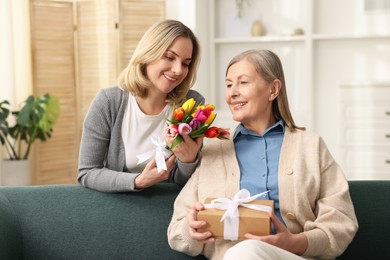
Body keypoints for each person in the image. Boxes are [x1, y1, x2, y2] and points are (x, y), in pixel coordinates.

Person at [167, 49, 358, 260]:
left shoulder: (310, 146)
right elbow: (177, 231)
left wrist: (296, 243)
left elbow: (342, 220)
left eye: (243, 82)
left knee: (246, 252)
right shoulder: (214, 151)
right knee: (243, 252)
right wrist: (192, 229)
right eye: (229, 84)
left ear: (273, 89)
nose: (232, 93)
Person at [77, 20, 205, 192]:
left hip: (172, 209)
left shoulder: (193, 104)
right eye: (169, 57)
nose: (178, 70)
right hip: (119, 207)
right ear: (149, 53)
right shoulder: (109, 102)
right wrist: (138, 181)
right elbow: (87, 172)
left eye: (186, 63)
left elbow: (186, 183)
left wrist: (188, 161)